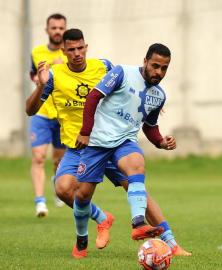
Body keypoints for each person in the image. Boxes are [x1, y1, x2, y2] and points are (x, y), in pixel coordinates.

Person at [26, 29, 191, 258]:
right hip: (83, 145)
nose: (77, 53)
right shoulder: (54, 75)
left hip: (117, 143)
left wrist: (150, 99)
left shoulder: (104, 67)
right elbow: (30, 110)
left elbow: (131, 85)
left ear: (86, 47)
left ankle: (170, 242)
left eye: (80, 48)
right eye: (71, 49)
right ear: (63, 51)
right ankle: (100, 220)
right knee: (66, 190)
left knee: (137, 182)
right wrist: (40, 86)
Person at [71, 43, 180, 259]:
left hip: (124, 142)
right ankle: (81, 239)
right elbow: (93, 97)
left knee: (137, 164)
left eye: (164, 68)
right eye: (155, 66)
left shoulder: (159, 95)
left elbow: (149, 126)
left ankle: (138, 223)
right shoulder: (121, 73)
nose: (159, 72)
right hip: (98, 142)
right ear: (145, 61)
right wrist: (85, 132)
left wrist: (161, 142)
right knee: (82, 195)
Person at [29, 13, 67, 217]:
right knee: (39, 156)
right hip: (42, 112)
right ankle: (40, 202)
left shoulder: (72, 53)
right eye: (54, 28)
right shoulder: (37, 52)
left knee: (58, 162)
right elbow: (36, 77)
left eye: (61, 28)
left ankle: (57, 188)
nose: (58, 31)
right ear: (47, 30)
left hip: (62, 115)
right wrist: (55, 66)